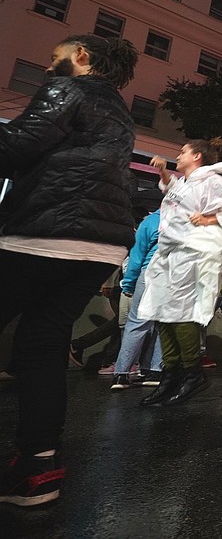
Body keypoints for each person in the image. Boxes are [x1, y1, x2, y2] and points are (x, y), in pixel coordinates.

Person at [0, 33, 138, 506]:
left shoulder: (70, 89)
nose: (47, 64)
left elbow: (19, 144)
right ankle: (38, 468)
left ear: (81, 57)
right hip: (97, 245)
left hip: (45, 231)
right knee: (43, 346)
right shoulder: (121, 111)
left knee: (38, 344)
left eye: (55, 56)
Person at [137, 139, 222, 407]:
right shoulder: (184, 182)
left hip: (193, 252)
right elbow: (173, 193)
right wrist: (163, 173)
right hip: (170, 252)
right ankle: (170, 375)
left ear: (197, 156)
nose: (178, 154)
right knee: (160, 310)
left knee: (180, 312)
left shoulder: (212, 180)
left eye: (183, 151)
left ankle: (191, 372)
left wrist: (211, 219)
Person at [110, 209, 163, 391]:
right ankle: (154, 371)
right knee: (161, 323)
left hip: (149, 273)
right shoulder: (187, 221)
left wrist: (129, 285)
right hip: (175, 275)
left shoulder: (151, 222)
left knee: (136, 322)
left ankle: (121, 373)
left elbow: (137, 256)